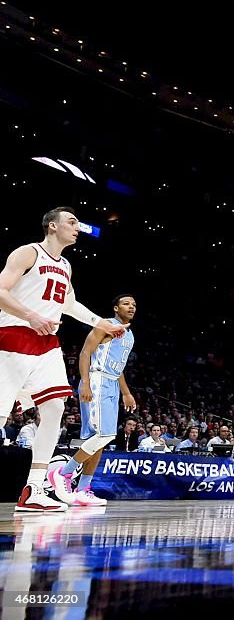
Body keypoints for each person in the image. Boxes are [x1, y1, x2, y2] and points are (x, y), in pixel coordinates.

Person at [0, 206, 127, 512]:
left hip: (47, 343)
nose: (77, 227)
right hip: (14, 334)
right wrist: (30, 315)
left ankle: (34, 488)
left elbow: (69, 304)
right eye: (71, 222)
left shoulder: (66, 266)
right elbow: (1, 290)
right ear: (52, 226)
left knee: (55, 407)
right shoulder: (27, 253)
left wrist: (101, 322)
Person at [51, 294, 137, 507]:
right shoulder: (105, 325)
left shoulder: (129, 335)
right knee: (105, 434)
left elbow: (119, 368)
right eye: (126, 303)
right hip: (97, 380)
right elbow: (85, 353)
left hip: (112, 383)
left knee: (98, 440)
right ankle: (63, 473)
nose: (131, 307)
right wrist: (86, 383)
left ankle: (83, 489)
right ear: (116, 307)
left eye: (134, 304)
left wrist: (126, 393)